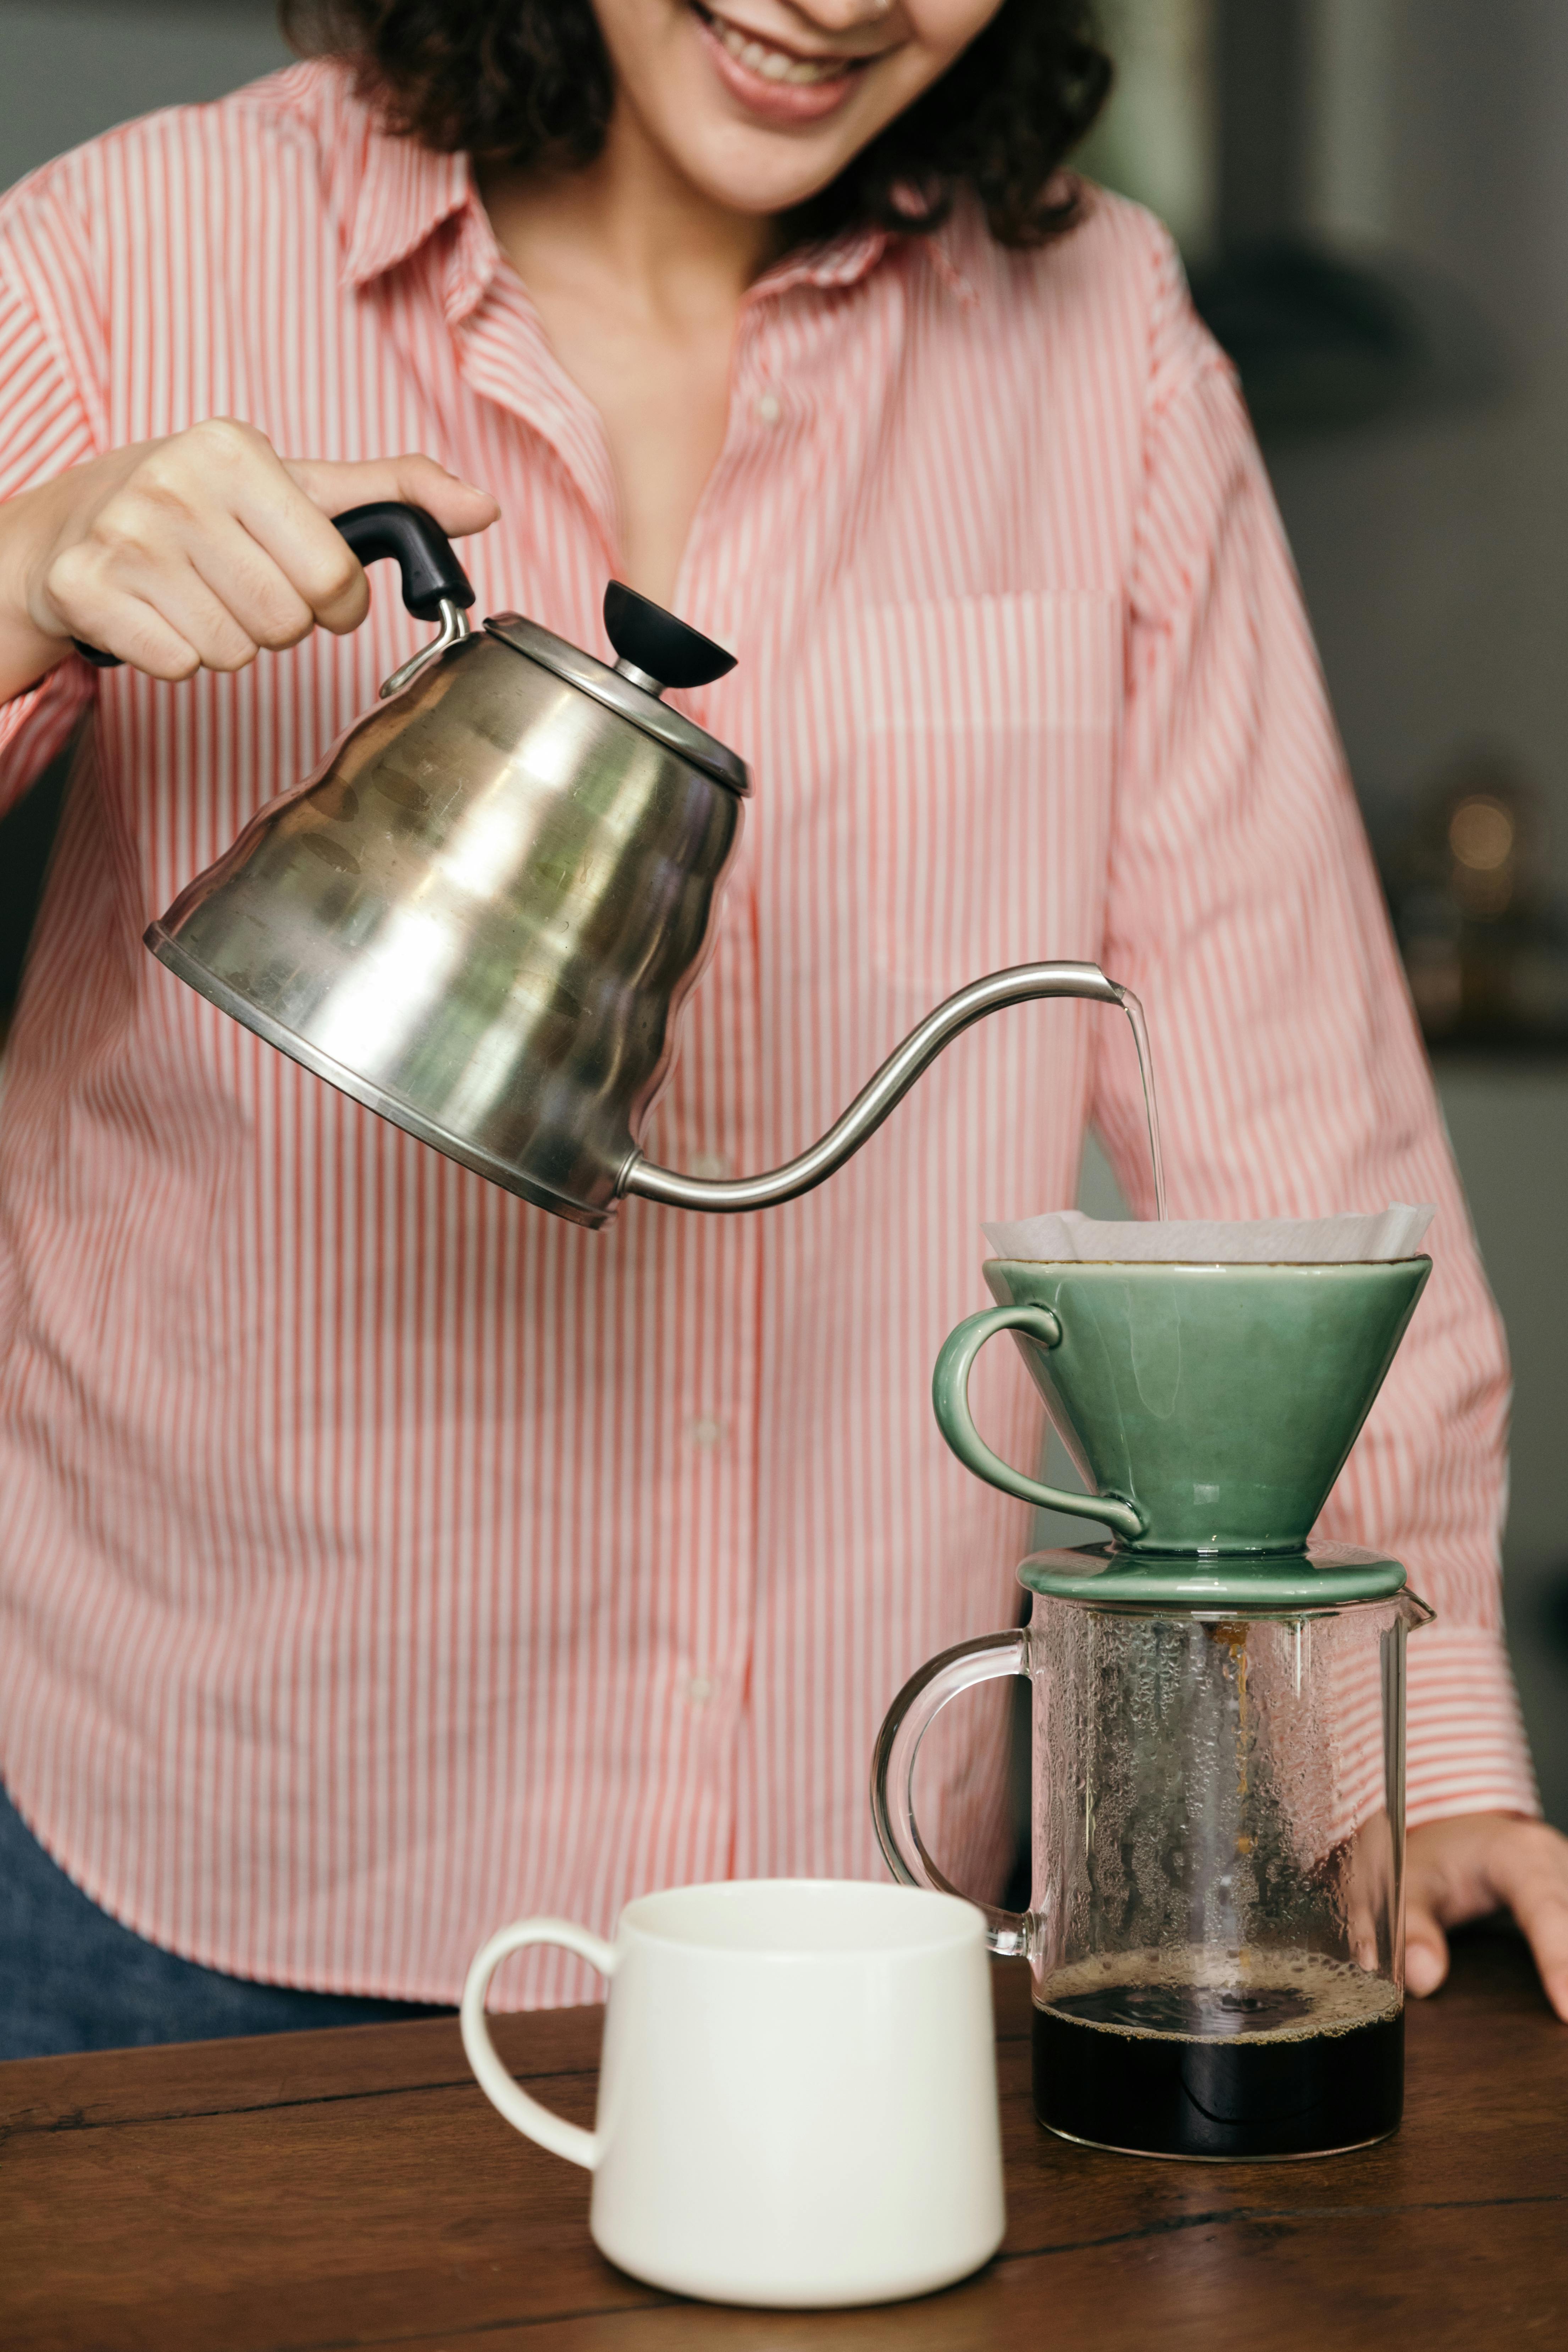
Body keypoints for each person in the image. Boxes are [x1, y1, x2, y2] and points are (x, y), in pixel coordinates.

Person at [0, 1, 1563, 2059]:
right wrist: (21, 579)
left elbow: (1294, 1116)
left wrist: (1419, 1750)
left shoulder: (1095, 340)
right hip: (209, 1860)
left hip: (859, 1896)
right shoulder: (132, 253)